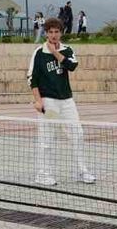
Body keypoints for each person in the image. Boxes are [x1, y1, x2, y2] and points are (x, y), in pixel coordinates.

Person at [28, 18, 95, 186]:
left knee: (77, 134)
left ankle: (82, 171)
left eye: (56, 31)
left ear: (61, 33)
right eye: (50, 32)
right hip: (48, 102)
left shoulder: (67, 50)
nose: (53, 35)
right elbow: (32, 78)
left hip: (66, 101)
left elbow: (72, 66)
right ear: (46, 33)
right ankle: (43, 174)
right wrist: (38, 100)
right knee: (47, 138)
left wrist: (55, 53)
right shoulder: (39, 53)